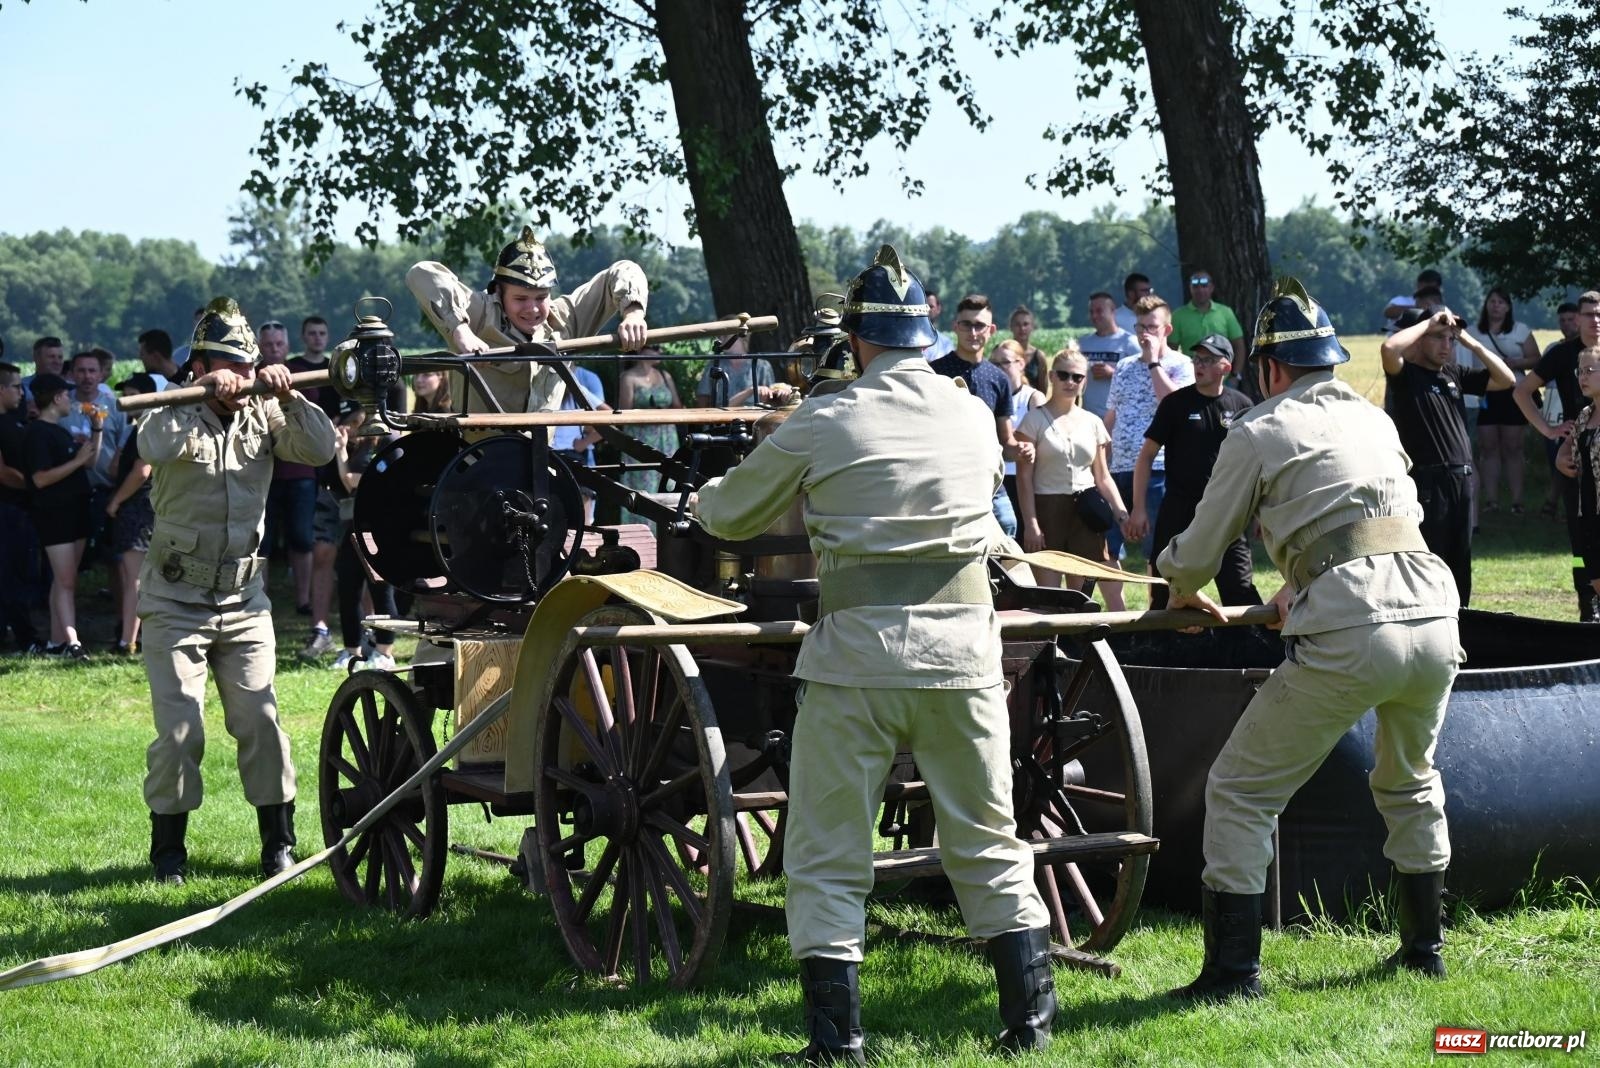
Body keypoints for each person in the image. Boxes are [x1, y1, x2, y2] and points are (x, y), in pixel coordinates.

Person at [694, 246, 1056, 1061]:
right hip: (965, 658)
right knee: (989, 838)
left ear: (856, 342)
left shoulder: (825, 419)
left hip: (857, 661)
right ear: (927, 337)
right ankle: (1030, 1025)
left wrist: (697, 496)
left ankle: (838, 1043)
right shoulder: (970, 412)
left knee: (827, 854)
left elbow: (732, 516)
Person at [1158, 278, 1463, 1001]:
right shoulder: (1372, 420)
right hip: (1432, 613)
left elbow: (1201, 548)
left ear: (1269, 369)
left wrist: (1177, 581)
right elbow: (1377, 518)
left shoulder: (1259, 429)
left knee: (1239, 790)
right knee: (1410, 781)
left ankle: (1234, 975)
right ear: (1329, 361)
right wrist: (1303, 574)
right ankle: (1426, 950)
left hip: (1354, 625)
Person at [140, 298, 337, 885]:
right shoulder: (171, 411)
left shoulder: (265, 414)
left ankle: (278, 844)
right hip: (176, 602)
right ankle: (168, 855)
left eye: (245, 366)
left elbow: (322, 449)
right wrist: (197, 392)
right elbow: (151, 445)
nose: (237, 378)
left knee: (262, 721)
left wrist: (288, 395)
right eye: (225, 364)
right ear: (197, 365)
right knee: (180, 733)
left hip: (245, 603)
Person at [407, 226, 649, 414]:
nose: (532, 308)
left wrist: (634, 312)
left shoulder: (567, 319)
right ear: (499, 293)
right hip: (476, 467)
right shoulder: (478, 312)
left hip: (543, 462)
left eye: (541, 297)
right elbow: (422, 273)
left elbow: (625, 269)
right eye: (521, 298)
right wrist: (461, 331)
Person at [1382, 307, 1515, 606]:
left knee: (1460, 561)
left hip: (1462, 482)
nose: (1447, 345)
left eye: (1450, 339)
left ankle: (1462, 622)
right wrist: (1428, 323)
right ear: (1417, 340)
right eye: (1438, 338)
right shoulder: (1407, 377)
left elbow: (1505, 379)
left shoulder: (1453, 373)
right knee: (1433, 560)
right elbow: (1389, 348)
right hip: (1430, 484)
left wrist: (1470, 342)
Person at [1125, 334, 1258, 610]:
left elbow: (1257, 465)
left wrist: (1260, 514)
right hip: (1179, 507)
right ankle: (1160, 647)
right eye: (1197, 358)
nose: (1200, 364)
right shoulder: (1175, 404)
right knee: (1164, 591)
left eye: (1208, 359)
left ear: (1226, 367)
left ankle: (1249, 647)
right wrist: (1138, 508)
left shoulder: (1243, 406)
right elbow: (1146, 456)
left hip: (1226, 512)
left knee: (1240, 590)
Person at [1102, 294, 1194, 610]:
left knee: (1160, 550)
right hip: (1119, 471)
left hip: (1160, 470)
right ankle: (1119, 617)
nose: (1144, 334)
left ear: (1166, 330)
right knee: (1106, 548)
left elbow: (1174, 405)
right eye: (1140, 327)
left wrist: (1155, 361)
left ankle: (1160, 613)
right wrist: (1101, 458)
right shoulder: (1125, 367)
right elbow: (1111, 417)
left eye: (1152, 327)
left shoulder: (1181, 365)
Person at [1515, 291, 1600, 619]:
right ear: (1576, 318)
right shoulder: (1563, 354)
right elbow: (1522, 392)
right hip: (1574, 460)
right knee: (1581, 540)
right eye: (1588, 313)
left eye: (1598, 313)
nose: (1594, 320)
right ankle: (1585, 601)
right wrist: (1550, 433)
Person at [1016, 348, 1128, 594]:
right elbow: (1024, 479)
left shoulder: (1093, 422)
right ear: (1052, 377)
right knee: (1048, 595)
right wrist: (1031, 524)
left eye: (1077, 377)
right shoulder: (1032, 420)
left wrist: (1121, 513)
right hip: (1048, 509)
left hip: (1085, 511)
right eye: (1064, 375)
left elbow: (1103, 476)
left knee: (1080, 595)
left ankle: (1077, 634)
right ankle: (1048, 635)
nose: (1070, 382)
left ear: (1084, 381)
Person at [930, 294, 1034, 537]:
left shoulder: (999, 378)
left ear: (992, 330)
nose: (973, 332)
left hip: (987, 481)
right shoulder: (935, 373)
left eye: (980, 325)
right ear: (956, 327)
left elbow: (1005, 441)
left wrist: (1020, 450)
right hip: (946, 478)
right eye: (967, 324)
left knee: (1008, 524)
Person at [23, 372, 98, 659]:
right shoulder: (38, 433)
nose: (70, 398)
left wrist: (97, 429)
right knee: (65, 581)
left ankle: (57, 642)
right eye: (66, 394)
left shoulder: (61, 430)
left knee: (64, 581)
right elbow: (40, 479)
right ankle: (72, 643)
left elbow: (89, 463)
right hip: (55, 516)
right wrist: (77, 461)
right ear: (55, 398)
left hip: (75, 512)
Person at [1466, 288, 1540, 515]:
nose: (1496, 306)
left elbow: (1536, 359)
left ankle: (1517, 500)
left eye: (1501, 302)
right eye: (1492, 301)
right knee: (1488, 447)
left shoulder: (1521, 331)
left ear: (1508, 307)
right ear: (1485, 305)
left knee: (1513, 446)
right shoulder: (1472, 332)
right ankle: (1491, 500)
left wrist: (1516, 363)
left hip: (1514, 392)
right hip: (1485, 393)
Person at [104, 372, 160, 655]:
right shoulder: (137, 428)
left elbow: (142, 470)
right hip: (137, 508)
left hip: (138, 508)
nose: (123, 400)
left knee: (134, 578)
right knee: (132, 577)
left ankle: (129, 641)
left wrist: (115, 501)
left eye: (129, 393)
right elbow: (115, 469)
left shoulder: (147, 428)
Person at [1555, 345, 1600, 620]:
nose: (1582, 377)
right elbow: (1565, 453)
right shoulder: (1584, 415)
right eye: (1579, 371)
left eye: (1590, 371)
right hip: (1589, 511)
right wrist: (1562, 460)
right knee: (1595, 579)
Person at [0, 361, 42, 653]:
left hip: (20, 510)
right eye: (16, 386)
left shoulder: (15, 420)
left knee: (20, 575)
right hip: (6, 509)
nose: (21, 391)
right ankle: (24, 637)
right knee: (10, 577)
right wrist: (36, 484)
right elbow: (2, 472)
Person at [618, 349, 684, 528]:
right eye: (655, 348)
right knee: (643, 487)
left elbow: (677, 406)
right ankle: (641, 531)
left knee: (667, 482)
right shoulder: (628, 378)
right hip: (641, 440)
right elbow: (624, 413)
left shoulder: (665, 376)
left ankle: (667, 529)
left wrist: (664, 413)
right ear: (641, 350)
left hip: (667, 439)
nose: (660, 351)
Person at [990, 339, 1045, 514]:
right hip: (995, 478)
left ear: (1021, 364)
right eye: (994, 363)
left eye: (1005, 362)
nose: (999, 368)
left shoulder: (1033, 398)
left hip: (1026, 480)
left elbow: (1044, 440)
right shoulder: (989, 396)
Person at [1077, 290, 1140, 419]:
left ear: (1113, 311)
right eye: (1091, 312)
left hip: (1120, 419)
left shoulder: (1130, 343)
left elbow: (1144, 377)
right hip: (1088, 419)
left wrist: (1113, 373)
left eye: (1099, 311)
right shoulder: (1082, 344)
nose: (1094, 316)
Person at [1168, 268, 1246, 361]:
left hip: (1224, 374)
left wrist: (1236, 374)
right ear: (1190, 288)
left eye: (1204, 286)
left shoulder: (1225, 312)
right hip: (1191, 374)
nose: (1200, 290)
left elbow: (1239, 345)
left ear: (1212, 288)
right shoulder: (1178, 316)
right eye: (1195, 286)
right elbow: (1171, 350)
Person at [694, 334, 783, 407]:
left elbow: (771, 401)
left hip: (754, 420)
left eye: (725, 334)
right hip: (722, 422)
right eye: (719, 335)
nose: (720, 339)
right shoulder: (715, 365)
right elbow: (703, 400)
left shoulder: (761, 366)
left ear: (741, 336)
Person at [1007, 305, 1048, 392]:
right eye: (1017, 325)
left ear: (1032, 327)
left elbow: (1043, 390)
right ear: (1011, 327)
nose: (1022, 328)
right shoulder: (1003, 354)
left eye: (1026, 324)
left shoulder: (1039, 357)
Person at [921, 289, 955, 360]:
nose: (926, 310)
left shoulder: (946, 344)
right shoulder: (906, 340)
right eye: (923, 306)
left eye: (931, 306)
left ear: (938, 309)